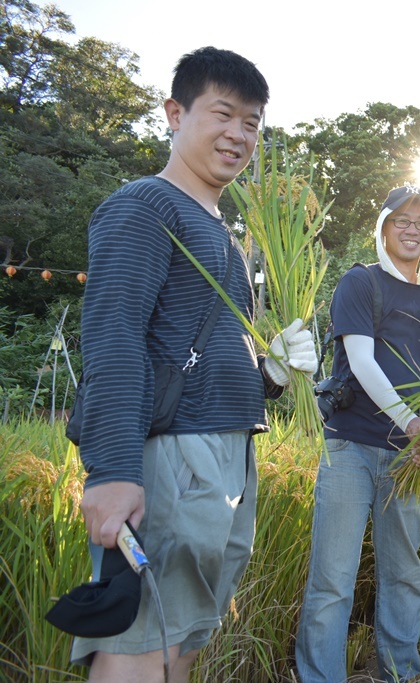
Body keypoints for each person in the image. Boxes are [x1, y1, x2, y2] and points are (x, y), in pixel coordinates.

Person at [73, 47, 317, 682]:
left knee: (181, 643)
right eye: (224, 113)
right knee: (142, 644)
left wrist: (273, 374)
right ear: (174, 114)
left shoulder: (224, 234)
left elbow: (202, 357)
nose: (239, 134)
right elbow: (114, 338)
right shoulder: (144, 207)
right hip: (173, 459)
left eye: (253, 122)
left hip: (226, 453)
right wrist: (112, 471)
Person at [296, 184, 420, 683]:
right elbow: (361, 361)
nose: (412, 229)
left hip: (406, 457)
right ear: (383, 227)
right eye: (402, 220)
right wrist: (408, 419)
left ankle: (401, 674)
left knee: (404, 575)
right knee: (333, 579)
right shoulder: (360, 283)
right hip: (352, 446)